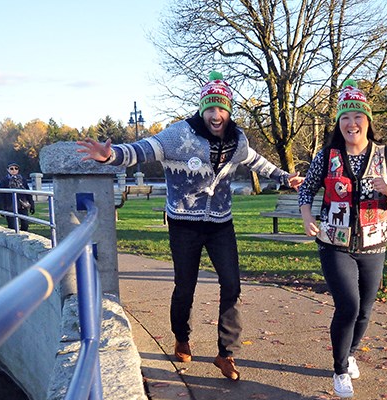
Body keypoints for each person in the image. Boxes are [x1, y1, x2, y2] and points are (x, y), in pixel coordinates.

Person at [76, 71, 304, 381]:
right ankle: (181, 337)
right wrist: (111, 156)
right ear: (202, 109)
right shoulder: (178, 135)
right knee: (186, 286)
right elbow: (142, 150)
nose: (216, 114)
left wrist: (284, 177)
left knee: (232, 285)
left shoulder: (237, 139)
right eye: (210, 108)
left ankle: (226, 354)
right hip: (184, 223)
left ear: (229, 110)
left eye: (221, 108)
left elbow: (256, 161)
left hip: (221, 222)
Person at [297, 79, 387, 398]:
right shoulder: (327, 156)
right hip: (335, 243)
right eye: (345, 118)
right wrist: (308, 216)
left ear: (368, 120)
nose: (352, 124)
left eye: (358, 117)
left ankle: (350, 353)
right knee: (348, 305)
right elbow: (307, 189)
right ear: (339, 123)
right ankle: (339, 370)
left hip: (374, 244)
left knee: (365, 309)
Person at [0, 162, 34, 231]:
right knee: (12, 227)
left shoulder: (22, 179)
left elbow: (28, 193)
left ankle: (23, 239)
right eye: (11, 168)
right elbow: (0, 195)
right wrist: (1, 208)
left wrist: (32, 205)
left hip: (23, 205)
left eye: (16, 168)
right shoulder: (4, 180)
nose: (14, 170)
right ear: (8, 170)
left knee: (25, 224)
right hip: (10, 206)